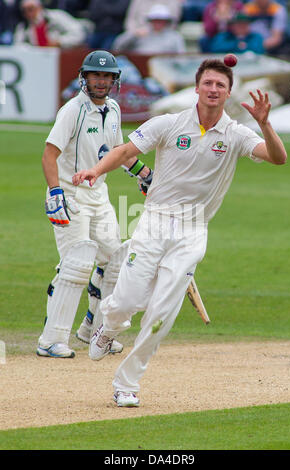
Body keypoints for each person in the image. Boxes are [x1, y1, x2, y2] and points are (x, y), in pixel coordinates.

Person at [72, 59, 287, 407]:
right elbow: (126, 151)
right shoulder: (169, 124)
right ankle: (108, 326)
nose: (213, 90)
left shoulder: (235, 133)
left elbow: (278, 158)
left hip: (192, 231)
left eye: (220, 85)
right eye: (208, 84)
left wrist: (265, 124)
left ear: (228, 92)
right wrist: (95, 171)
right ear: (197, 87)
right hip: (155, 221)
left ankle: (127, 383)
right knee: (127, 300)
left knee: (160, 315)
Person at [36, 49, 152, 358]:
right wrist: (55, 193)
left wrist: (145, 175)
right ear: (84, 78)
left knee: (115, 260)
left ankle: (94, 330)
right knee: (77, 262)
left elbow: (116, 152)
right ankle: (51, 339)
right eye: (95, 75)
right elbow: (50, 154)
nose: (100, 81)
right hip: (69, 193)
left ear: (114, 80)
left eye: (106, 76)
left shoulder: (112, 109)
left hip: (99, 195)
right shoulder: (73, 110)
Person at [112, 3, 186, 54]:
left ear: (166, 21)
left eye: (161, 20)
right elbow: (117, 47)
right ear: (150, 21)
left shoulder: (174, 37)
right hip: (139, 70)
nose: (158, 23)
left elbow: (181, 58)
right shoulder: (140, 33)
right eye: (156, 20)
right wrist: (134, 35)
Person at [13, 0, 86, 48]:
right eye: (24, 11)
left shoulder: (57, 17)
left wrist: (60, 42)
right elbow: (18, 45)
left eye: (30, 9)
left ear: (39, 7)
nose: (28, 13)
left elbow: (79, 34)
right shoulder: (23, 27)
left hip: (62, 57)